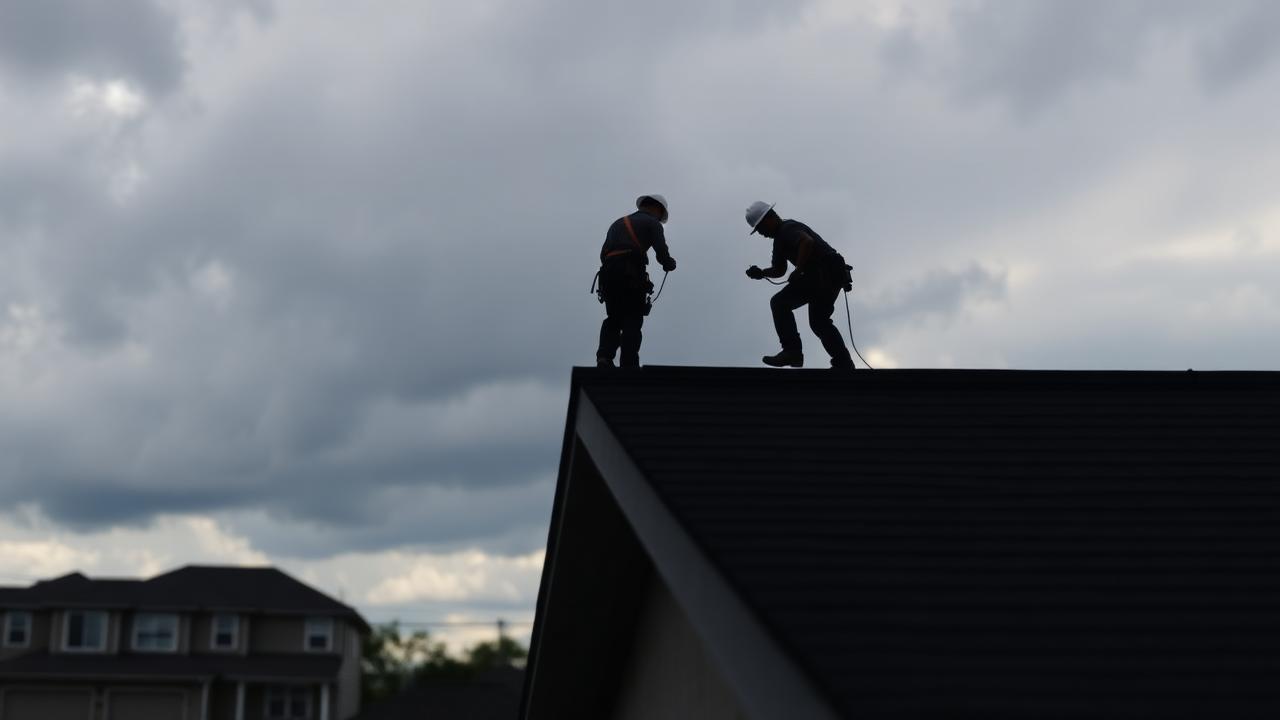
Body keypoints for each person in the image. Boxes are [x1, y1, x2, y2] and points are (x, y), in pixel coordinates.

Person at [744, 201, 855, 369]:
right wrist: (762, 273)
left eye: (760, 228)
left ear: (770, 218)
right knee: (819, 321)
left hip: (823, 272)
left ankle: (792, 352)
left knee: (780, 303)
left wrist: (799, 269)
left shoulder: (787, 229)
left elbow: (806, 242)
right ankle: (843, 363)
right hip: (828, 274)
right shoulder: (780, 239)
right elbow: (779, 269)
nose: (761, 233)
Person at [595, 194, 677, 367]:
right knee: (632, 318)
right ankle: (629, 363)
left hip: (608, 275)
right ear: (657, 209)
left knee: (614, 317)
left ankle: (604, 357)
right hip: (630, 273)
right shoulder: (652, 223)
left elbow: (603, 254)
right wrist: (669, 263)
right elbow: (661, 251)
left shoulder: (617, 223)